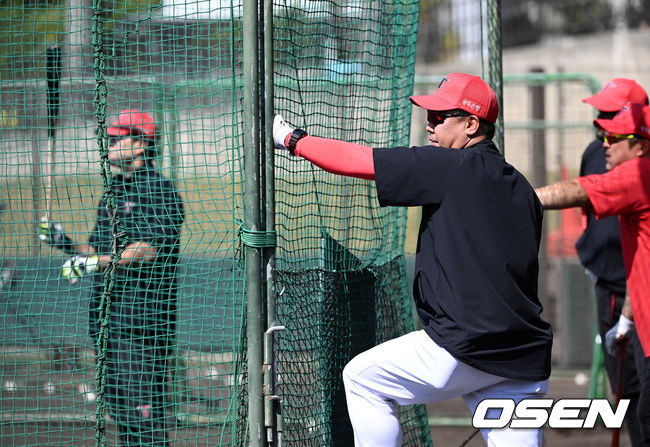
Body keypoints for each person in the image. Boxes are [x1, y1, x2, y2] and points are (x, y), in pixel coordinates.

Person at [273, 72, 553, 447]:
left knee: (361, 378)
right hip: (523, 353)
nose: (429, 124)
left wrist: (292, 139)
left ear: (471, 124)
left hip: (464, 345)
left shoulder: (452, 165)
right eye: (429, 115)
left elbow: (358, 160)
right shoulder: (522, 187)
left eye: (440, 117)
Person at [38, 109, 184, 446]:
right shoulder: (113, 192)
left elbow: (148, 250)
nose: (109, 145)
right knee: (121, 415)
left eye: (116, 138)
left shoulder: (160, 190)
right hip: (108, 323)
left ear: (140, 144)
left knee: (143, 417)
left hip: (142, 323)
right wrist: (63, 242)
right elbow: (95, 251)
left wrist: (94, 263)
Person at [535, 102, 650, 444]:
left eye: (616, 137)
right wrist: (629, 316)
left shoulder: (639, 174)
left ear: (640, 145)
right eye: (605, 134)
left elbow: (574, 191)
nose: (605, 143)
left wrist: (511, 194)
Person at [576, 78, 649, 446]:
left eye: (609, 113)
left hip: (637, 288)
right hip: (611, 284)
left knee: (641, 388)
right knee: (626, 387)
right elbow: (586, 208)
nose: (600, 123)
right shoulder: (597, 151)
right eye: (599, 114)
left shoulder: (641, 162)